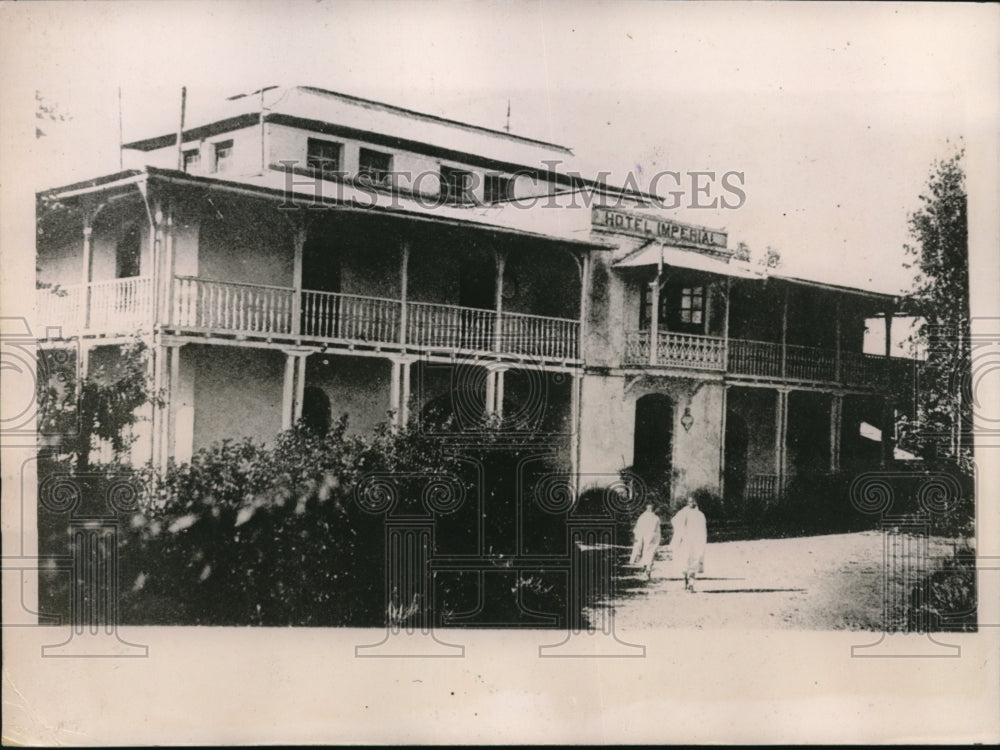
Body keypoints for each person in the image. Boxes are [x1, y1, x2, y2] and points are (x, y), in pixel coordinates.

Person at [670, 495, 707, 592]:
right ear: (687, 503)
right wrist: (680, 534)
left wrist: (701, 541)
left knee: (694, 561)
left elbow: (703, 530)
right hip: (685, 541)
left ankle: (691, 584)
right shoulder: (683, 513)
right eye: (690, 502)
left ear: (696, 503)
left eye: (693, 502)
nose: (692, 503)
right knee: (685, 561)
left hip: (696, 541)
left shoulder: (700, 515)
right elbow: (674, 521)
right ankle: (686, 581)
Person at [629, 503, 662, 580]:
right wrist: (638, 538)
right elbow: (638, 528)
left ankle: (648, 571)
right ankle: (646, 570)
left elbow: (657, 530)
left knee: (650, 554)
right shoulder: (643, 517)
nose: (650, 510)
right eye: (648, 508)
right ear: (646, 509)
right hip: (644, 538)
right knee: (645, 553)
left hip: (651, 539)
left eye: (651, 508)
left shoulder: (655, 518)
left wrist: (656, 539)